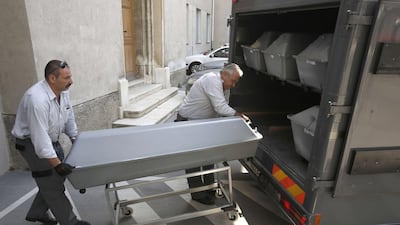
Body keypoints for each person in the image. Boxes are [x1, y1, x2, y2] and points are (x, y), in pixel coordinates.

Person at [12, 60, 90, 225]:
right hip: (31, 145)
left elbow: (69, 120)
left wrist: (76, 140)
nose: (71, 81)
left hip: (51, 141)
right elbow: (40, 139)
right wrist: (57, 164)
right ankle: (71, 222)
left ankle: (36, 212)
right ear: (52, 78)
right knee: (54, 186)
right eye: (67, 77)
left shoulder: (63, 92)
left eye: (71, 76)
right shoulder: (37, 100)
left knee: (53, 180)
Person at [176, 63, 248, 205]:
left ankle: (209, 187)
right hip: (189, 121)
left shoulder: (224, 86)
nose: (233, 85)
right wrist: (238, 115)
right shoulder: (212, 80)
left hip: (204, 123)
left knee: (209, 157)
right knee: (194, 160)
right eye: (233, 81)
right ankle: (198, 194)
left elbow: (222, 108)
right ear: (224, 75)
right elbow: (220, 107)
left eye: (236, 82)